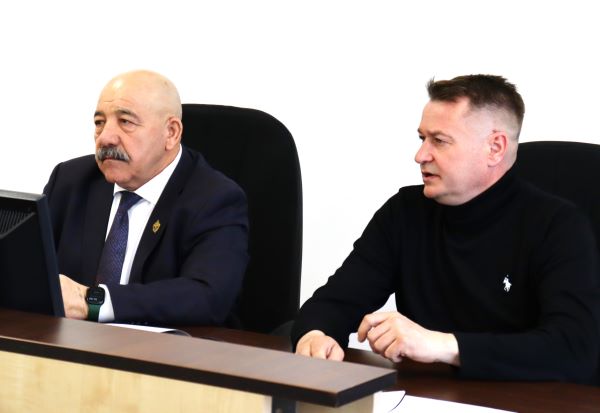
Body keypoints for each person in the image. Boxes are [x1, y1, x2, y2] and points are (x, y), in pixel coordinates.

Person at [292, 74, 600, 382]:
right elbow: (334, 302)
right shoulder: (404, 213)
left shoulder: (558, 227)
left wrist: (441, 346)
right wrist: (316, 336)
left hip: (523, 399)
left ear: (494, 148)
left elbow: (574, 350)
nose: (420, 156)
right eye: (422, 139)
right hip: (423, 396)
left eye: (439, 141)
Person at [44, 70, 248, 326]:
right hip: (68, 344)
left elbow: (208, 297)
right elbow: (25, 270)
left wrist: (92, 301)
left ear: (171, 133)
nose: (105, 137)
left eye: (125, 122)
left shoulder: (215, 199)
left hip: (163, 348)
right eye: (99, 122)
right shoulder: (70, 181)